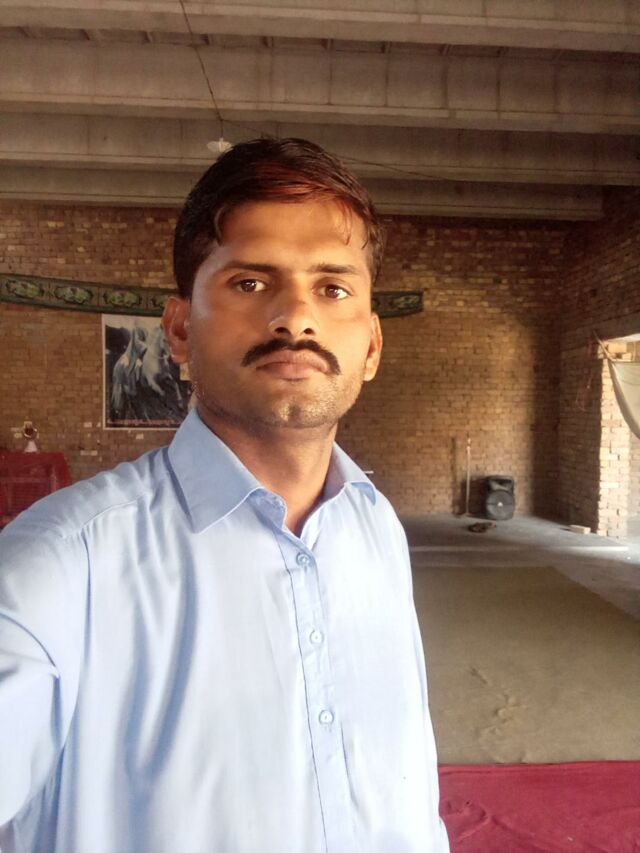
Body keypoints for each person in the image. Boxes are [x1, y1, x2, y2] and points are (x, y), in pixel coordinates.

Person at [0, 138, 449, 853]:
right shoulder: (60, 565)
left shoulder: (373, 527)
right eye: (250, 282)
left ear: (371, 345)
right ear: (179, 330)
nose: (295, 318)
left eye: (332, 288)